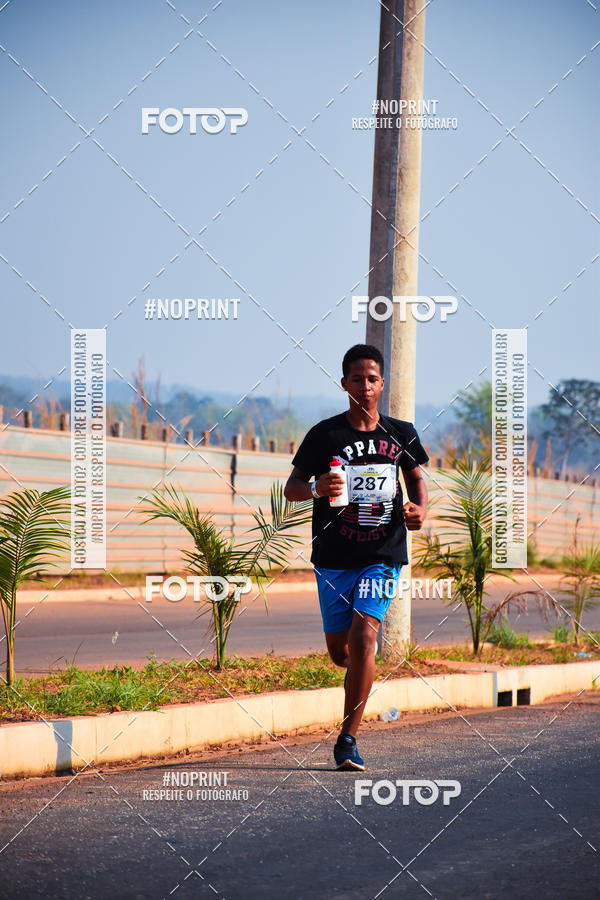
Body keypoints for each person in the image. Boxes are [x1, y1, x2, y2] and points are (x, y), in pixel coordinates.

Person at [283, 344, 429, 770]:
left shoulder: (401, 433)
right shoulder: (325, 435)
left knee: (365, 637)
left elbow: (417, 480)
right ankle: (356, 672)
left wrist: (421, 510)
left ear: (381, 384)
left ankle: (347, 739)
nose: (365, 386)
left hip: (383, 554)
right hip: (333, 557)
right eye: (357, 379)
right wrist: (316, 489)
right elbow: (291, 486)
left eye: (372, 379)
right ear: (344, 383)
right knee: (341, 652)